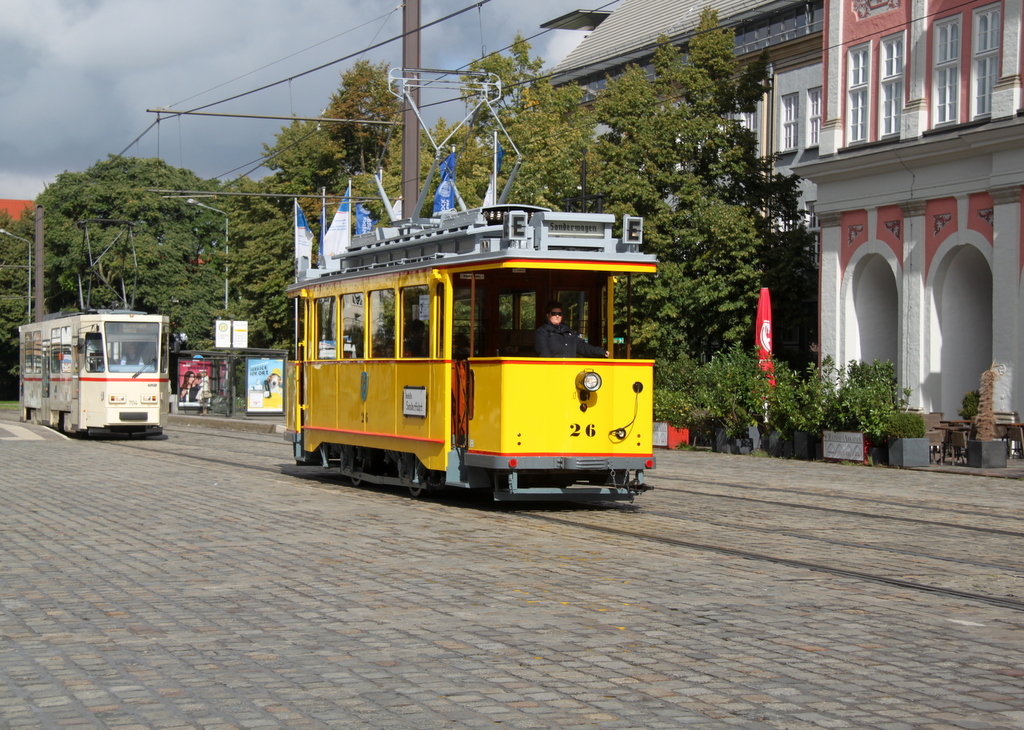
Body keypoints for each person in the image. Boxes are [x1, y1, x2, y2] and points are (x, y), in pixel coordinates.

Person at [534, 301, 609, 358]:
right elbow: (544, 352)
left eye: (560, 314)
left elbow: (582, 347)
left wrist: (601, 352)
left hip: (570, 369)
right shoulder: (542, 332)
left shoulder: (568, 332)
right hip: (552, 371)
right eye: (553, 313)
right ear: (548, 315)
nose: (557, 316)